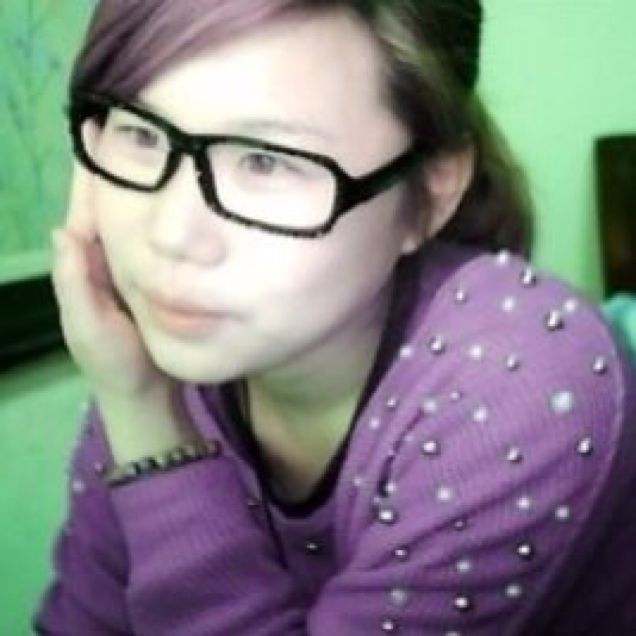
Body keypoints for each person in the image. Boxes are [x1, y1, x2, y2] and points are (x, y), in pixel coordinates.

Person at [35, 0, 636, 634]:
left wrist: (149, 422)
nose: (171, 236)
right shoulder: (156, 361)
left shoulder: (525, 386)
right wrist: (135, 399)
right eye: (141, 134)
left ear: (433, 191)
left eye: (266, 160)